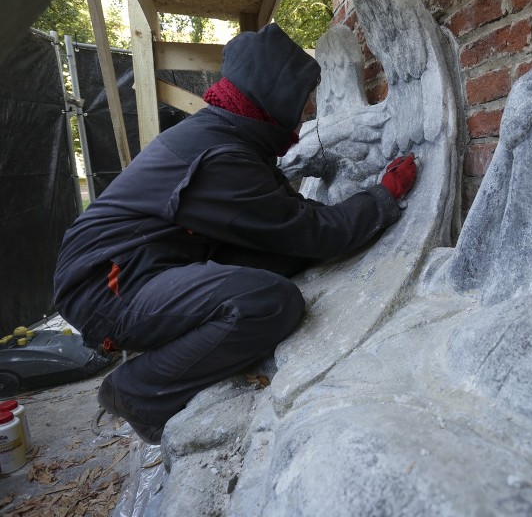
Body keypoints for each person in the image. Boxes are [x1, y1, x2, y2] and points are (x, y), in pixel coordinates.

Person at [53, 23, 417, 444]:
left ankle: (171, 349)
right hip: (106, 285)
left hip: (151, 261)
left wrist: (357, 210)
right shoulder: (220, 156)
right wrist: (381, 197)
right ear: (273, 97)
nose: (307, 115)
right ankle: (138, 391)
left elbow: (287, 220)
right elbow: (308, 230)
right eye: (302, 103)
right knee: (268, 303)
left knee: (283, 258)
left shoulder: (229, 135)